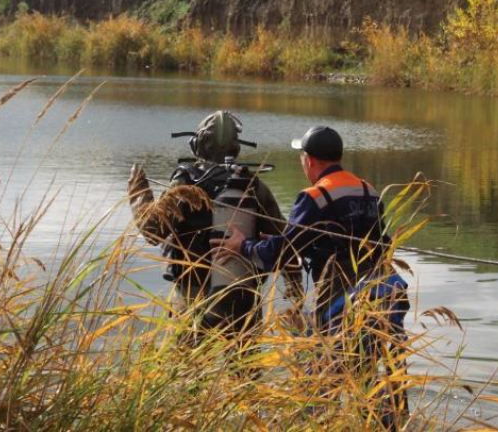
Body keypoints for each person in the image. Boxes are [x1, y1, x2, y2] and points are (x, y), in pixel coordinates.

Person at [210, 125, 409, 421]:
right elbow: (355, 241)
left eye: (301, 157)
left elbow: (281, 254)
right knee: (370, 378)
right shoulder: (369, 191)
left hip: (343, 305)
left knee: (316, 388)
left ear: (309, 160)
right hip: (381, 297)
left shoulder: (315, 197)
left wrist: (244, 245)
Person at [128, 110, 301, 338]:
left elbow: (152, 231)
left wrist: (138, 191)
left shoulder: (184, 183)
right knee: (245, 370)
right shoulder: (252, 185)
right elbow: (284, 242)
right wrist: (295, 288)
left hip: (193, 297)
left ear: (196, 144)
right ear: (236, 148)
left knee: (185, 370)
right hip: (242, 299)